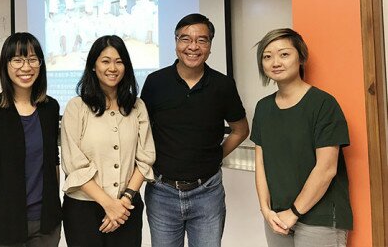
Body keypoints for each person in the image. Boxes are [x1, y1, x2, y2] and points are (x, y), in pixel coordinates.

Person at [141, 13, 249, 247]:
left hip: (207, 194)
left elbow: (240, 130)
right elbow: (140, 132)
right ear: (176, 42)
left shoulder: (223, 85)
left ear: (210, 45)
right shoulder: (155, 82)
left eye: (202, 40)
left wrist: (214, 156)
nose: (193, 47)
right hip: (161, 192)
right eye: (185, 39)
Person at [251, 28, 353, 247]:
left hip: (320, 217)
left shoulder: (323, 104)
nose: (275, 62)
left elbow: (326, 169)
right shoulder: (263, 108)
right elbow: (260, 162)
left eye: (284, 54)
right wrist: (265, 209)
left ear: (301, 57)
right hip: (278, 217)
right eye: (267, 56)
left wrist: (294, 212)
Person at [0, 32, 62, 247]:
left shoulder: (50, 108)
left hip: (46, 224)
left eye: (32, 59)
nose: (26, 67)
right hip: (3, 224)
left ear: (41, 63)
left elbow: (53, 162)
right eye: (17, 60)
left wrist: (54, 210)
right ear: (6, 64)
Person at [60, 35, 155, 247]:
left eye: (119, 61)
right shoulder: (77, 107)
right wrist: (108, 204)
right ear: (93, 65)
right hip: (83, 209)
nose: (112, 68)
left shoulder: (137, 107)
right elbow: (73, 164)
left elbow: (146, 157)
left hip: (126, 206)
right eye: (105, 61)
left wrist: (125, 200)